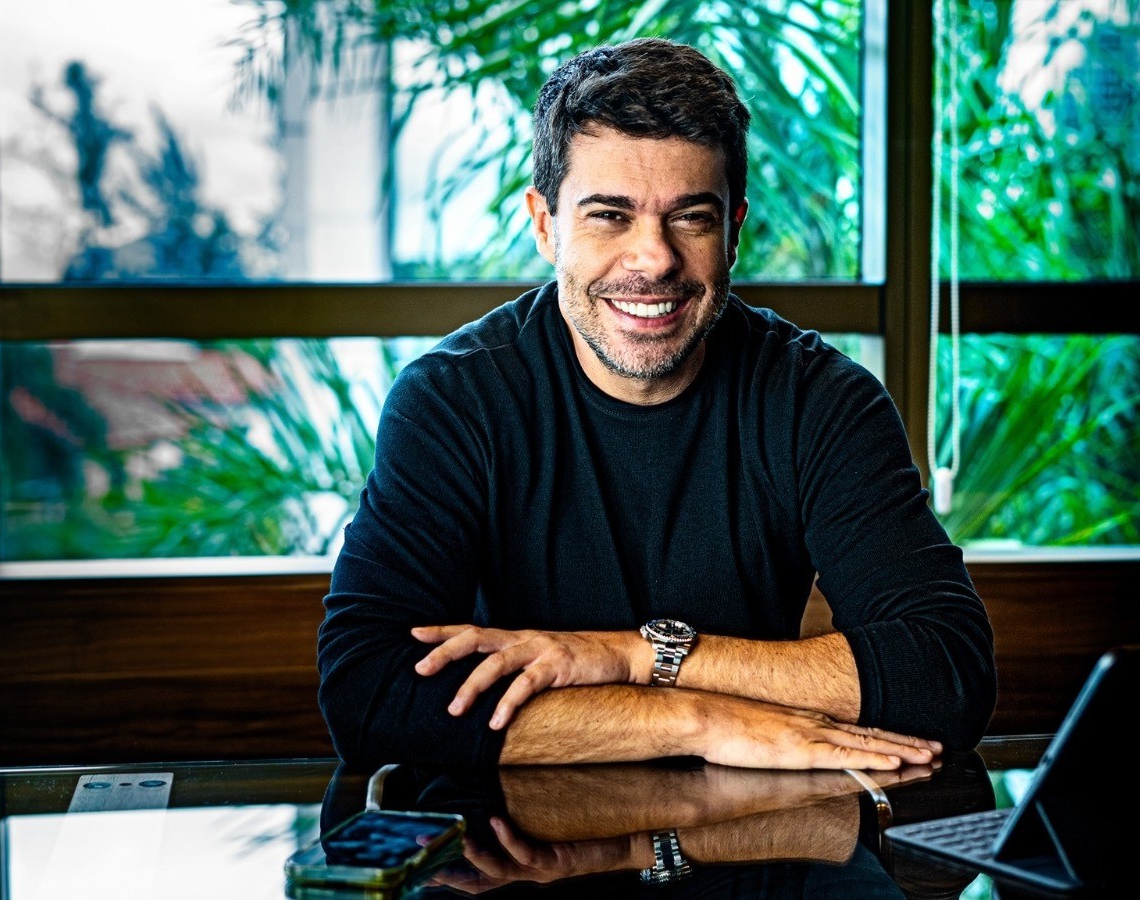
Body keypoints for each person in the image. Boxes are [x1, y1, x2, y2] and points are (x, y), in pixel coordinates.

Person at [318, 37, 995, 771]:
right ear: (545, 224)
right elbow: (370, 696)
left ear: (733, 232)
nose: (655, 259)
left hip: (760, 828)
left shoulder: (820, 400)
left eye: (691, 217)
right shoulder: (454, 399)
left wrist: (636, 656)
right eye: (610, 216)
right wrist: (698, 720)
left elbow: (946, 675)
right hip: (514, 837)